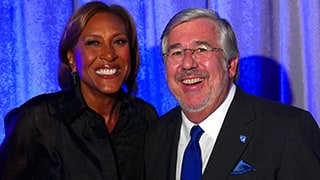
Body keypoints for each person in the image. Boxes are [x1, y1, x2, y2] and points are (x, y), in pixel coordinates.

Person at [145, 8, 320, 180]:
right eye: (176, 53)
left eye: (201, 50)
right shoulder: (155, 136)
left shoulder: (287, 130)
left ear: (231, 65)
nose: (188, 64)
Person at [0, 1, 158, 179]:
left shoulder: (145, 118)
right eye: (93, 43)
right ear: (71, 60)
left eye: (119, 41)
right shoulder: (37, 120)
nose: (109, 54)